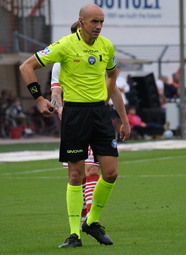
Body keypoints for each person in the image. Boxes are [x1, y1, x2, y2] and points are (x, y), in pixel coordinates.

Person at [19, 3, 130, 248]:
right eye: (94, 22)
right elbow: (26, 67)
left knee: (110, 173)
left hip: (99, 114)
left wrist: (107, 98)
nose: (99, 27)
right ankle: (74, 235)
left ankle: (91, 222)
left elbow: (112, 74)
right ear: (81, 22)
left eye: (101, 22)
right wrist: (40, 99)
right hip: (75, 115)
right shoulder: (64, 46)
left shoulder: (107, 46)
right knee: (75, 175)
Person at [50, 21, 100, 227]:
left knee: (93, 171)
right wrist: (57, 107)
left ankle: (90, 218)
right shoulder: (60, 61)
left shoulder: (96, 55)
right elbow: (55, 90)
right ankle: (80, 217)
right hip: (72, 120)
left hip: (95, 119)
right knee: (76, 175)